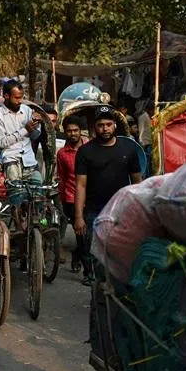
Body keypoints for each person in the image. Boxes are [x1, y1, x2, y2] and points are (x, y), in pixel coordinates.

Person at [74, 105, 143, 285]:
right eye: (101, 125)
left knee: (121, 253)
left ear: (115, 126)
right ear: (94, 127)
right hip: (94, 212)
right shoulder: (85, 152)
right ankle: (100, 292)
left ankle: (116, 289)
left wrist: (141, 210)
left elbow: (137, 182)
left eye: (108, 124)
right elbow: (80, 185)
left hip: (122, 210)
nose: (105, 129)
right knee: (96, 255)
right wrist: (78, 217)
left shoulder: (128, 150)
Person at [0, 80, 42, 218]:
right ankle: (18, 225)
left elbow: (36, 136)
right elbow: (2, 142)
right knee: (16, 196)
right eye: (16, 98)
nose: (20, 101)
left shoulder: (27, 110)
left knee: (39, 191)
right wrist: (25, 130)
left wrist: (37, 125)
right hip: (11, 160)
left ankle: (40, 223)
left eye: (21, 97)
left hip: (29, 160)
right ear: (6, 96)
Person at [56, 116, 86, 273]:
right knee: (80, 234)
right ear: (65, 132)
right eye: (69, 131)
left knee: (88, 236)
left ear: (80, 131)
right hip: (70, 197)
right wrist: (60, 201)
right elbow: (61, 177)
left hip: (90, 196)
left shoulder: (89, 148)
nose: (73, 133)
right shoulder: (62, 154)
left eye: (75, 130)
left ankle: (77, 253)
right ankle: (89, 272)